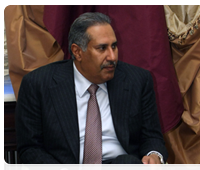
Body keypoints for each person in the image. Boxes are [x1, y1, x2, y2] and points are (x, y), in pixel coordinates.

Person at [16, 12, 168, 170]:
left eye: (114, 46)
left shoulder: (137, 80)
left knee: (126, 164)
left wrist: (154, 154)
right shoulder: (38, 84)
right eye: (102, 48)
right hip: (68, 167)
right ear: (77, 51)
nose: (112, 57)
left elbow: (152, 136)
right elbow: (30, 148)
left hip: (121, 166)